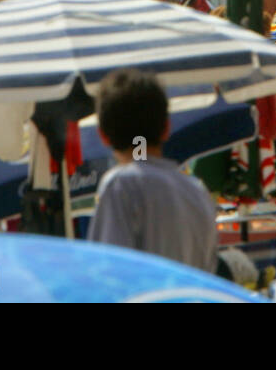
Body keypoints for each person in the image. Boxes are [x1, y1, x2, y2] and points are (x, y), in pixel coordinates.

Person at [88, 68, 218, 271]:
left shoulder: (121, 185)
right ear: (166, 128)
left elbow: (109, 273)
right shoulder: (197, 191)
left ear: (103, 135)